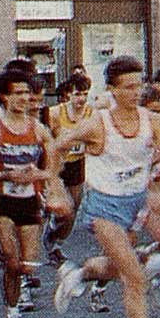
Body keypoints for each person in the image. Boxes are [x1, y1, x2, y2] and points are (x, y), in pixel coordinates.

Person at [52, 56, 160, 318]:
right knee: (133, 276)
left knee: (115, 265)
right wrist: (54, 187)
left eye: (139, 85)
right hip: (104, 207)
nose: (135, 92)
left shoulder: (151, 120)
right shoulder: (98, 123)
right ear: (111, 89)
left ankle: (79, 274)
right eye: (127, 87)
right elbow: (55, 147)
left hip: (136, 203)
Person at [0, 68, 69, 318]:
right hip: (3, 200)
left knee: (28, 266)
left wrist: (41, 178)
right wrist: (6, 174)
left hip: (29, 201)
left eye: (27, 93)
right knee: (14, 264)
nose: (24, 98)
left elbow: (53, 166)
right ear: (3, 97)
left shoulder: (39, 130)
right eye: (18, 93)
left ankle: (3, 256)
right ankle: (12, 315)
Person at [43, 73, 93, 266]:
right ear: (68, 95)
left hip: (76, 164)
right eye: (78, 94)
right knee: (63, 210)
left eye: (85, 94)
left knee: (72, 211)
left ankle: (56, 239)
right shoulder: (55, 113)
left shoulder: (91, 114)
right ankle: (51, 241)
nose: (81, 99)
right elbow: (45, 140)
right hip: (56, 165)